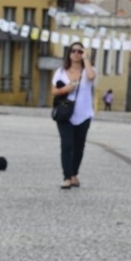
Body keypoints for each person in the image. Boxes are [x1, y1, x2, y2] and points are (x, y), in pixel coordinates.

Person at [51, 41, 96, 189]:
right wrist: (67, 88)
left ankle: (74, 173)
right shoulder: (61, 72)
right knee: (67, 144)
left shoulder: (88, 70)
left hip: (84, 114)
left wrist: (86, 59)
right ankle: (66, 177)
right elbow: (54, 91)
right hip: (65, 113)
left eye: (80, 51)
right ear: (69, 54)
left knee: (79, 146)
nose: (76, 54)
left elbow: (91, 77)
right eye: (73, 51)